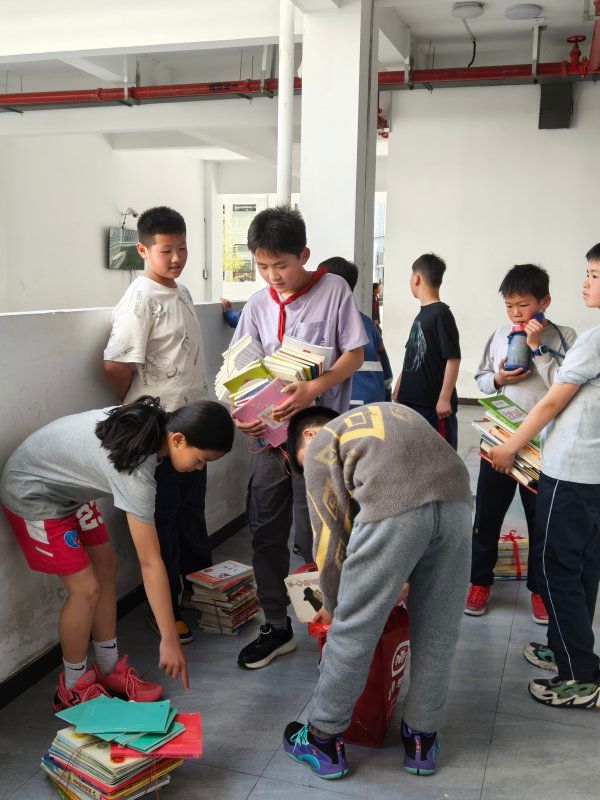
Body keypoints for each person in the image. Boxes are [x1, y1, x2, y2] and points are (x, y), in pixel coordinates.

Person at [0, 396, 234, 709]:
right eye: (200, 459)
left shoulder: (151, 426)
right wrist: (169, 638)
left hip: (67, 491)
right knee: (86, 589)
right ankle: (71, 688)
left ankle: (109, 670)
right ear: (178, 439)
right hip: (32, 490)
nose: (198, 468)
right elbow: (151, 563)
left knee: (107, 565)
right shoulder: (136, 472)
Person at [282, 403, 472, 777]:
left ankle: (322, 739)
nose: (309, 472)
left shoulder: (321, 442)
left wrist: (333, 603)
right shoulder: (384, 414)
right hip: (457, 502)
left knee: (353, 628)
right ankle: (421, 740)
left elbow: (329, 538)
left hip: (396, 507)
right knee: (438, 630)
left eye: (301, 464)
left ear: (308, 434)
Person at [230, 206, 366, 670]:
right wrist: (240, 414)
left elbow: (353, 354)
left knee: (320, 535)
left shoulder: (334, 290)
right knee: (266, 532)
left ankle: (333, 624)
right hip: (269, 441)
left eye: (281, 265)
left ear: (304, 255)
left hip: (318, 441)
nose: (273, 276)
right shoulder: (257, 304)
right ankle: (277, 625)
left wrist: (313, 388)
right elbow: (241, 370)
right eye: (262, 266)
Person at [489, 245, 600, 709]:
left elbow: (553, 400)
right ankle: (567, 649)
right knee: (583, 566)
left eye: (594, 275)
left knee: (557, 568)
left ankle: (578, 676)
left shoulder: (589, 338)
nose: (586, 282)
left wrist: (510, 447)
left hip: (571, 471)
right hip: (591, 473)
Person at [104, 206, 211, 646]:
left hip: (192, 426)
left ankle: (200, 592)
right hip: (160, 433)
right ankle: (164, 609)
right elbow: (115, 364)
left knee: (191, 513)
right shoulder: (140, 298)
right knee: (162, 518)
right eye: (166, 250)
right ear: (143, 250)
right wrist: (137, 411)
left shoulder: (181, 290)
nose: (177, 257)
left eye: (182, 247)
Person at [467, 264, 576, 622]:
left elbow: (564, 388)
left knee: (541, 522)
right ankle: (479, 581)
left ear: (544, 302)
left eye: (523, 305)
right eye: (509, 305)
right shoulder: (500, 334)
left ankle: (539, 590)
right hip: (498, 439)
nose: (515, 313)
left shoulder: (564, 336)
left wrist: (536, 347)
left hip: (541, 445)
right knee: (487, 516)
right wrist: (498, 378)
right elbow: (481, 378)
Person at [393, 253, 461, 450]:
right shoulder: (422, 315)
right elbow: (412, 356)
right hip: (412, 403)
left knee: (438, 455)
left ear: (416, 278)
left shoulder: (441, 314)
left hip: (433, 407)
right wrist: (400, 387)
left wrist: (444, 398)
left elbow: (453, 358)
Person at [320, 258, 393, 407]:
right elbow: (386, 375)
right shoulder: (368, 324)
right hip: (372, 405)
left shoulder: (322, 326)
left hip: (338, 407)